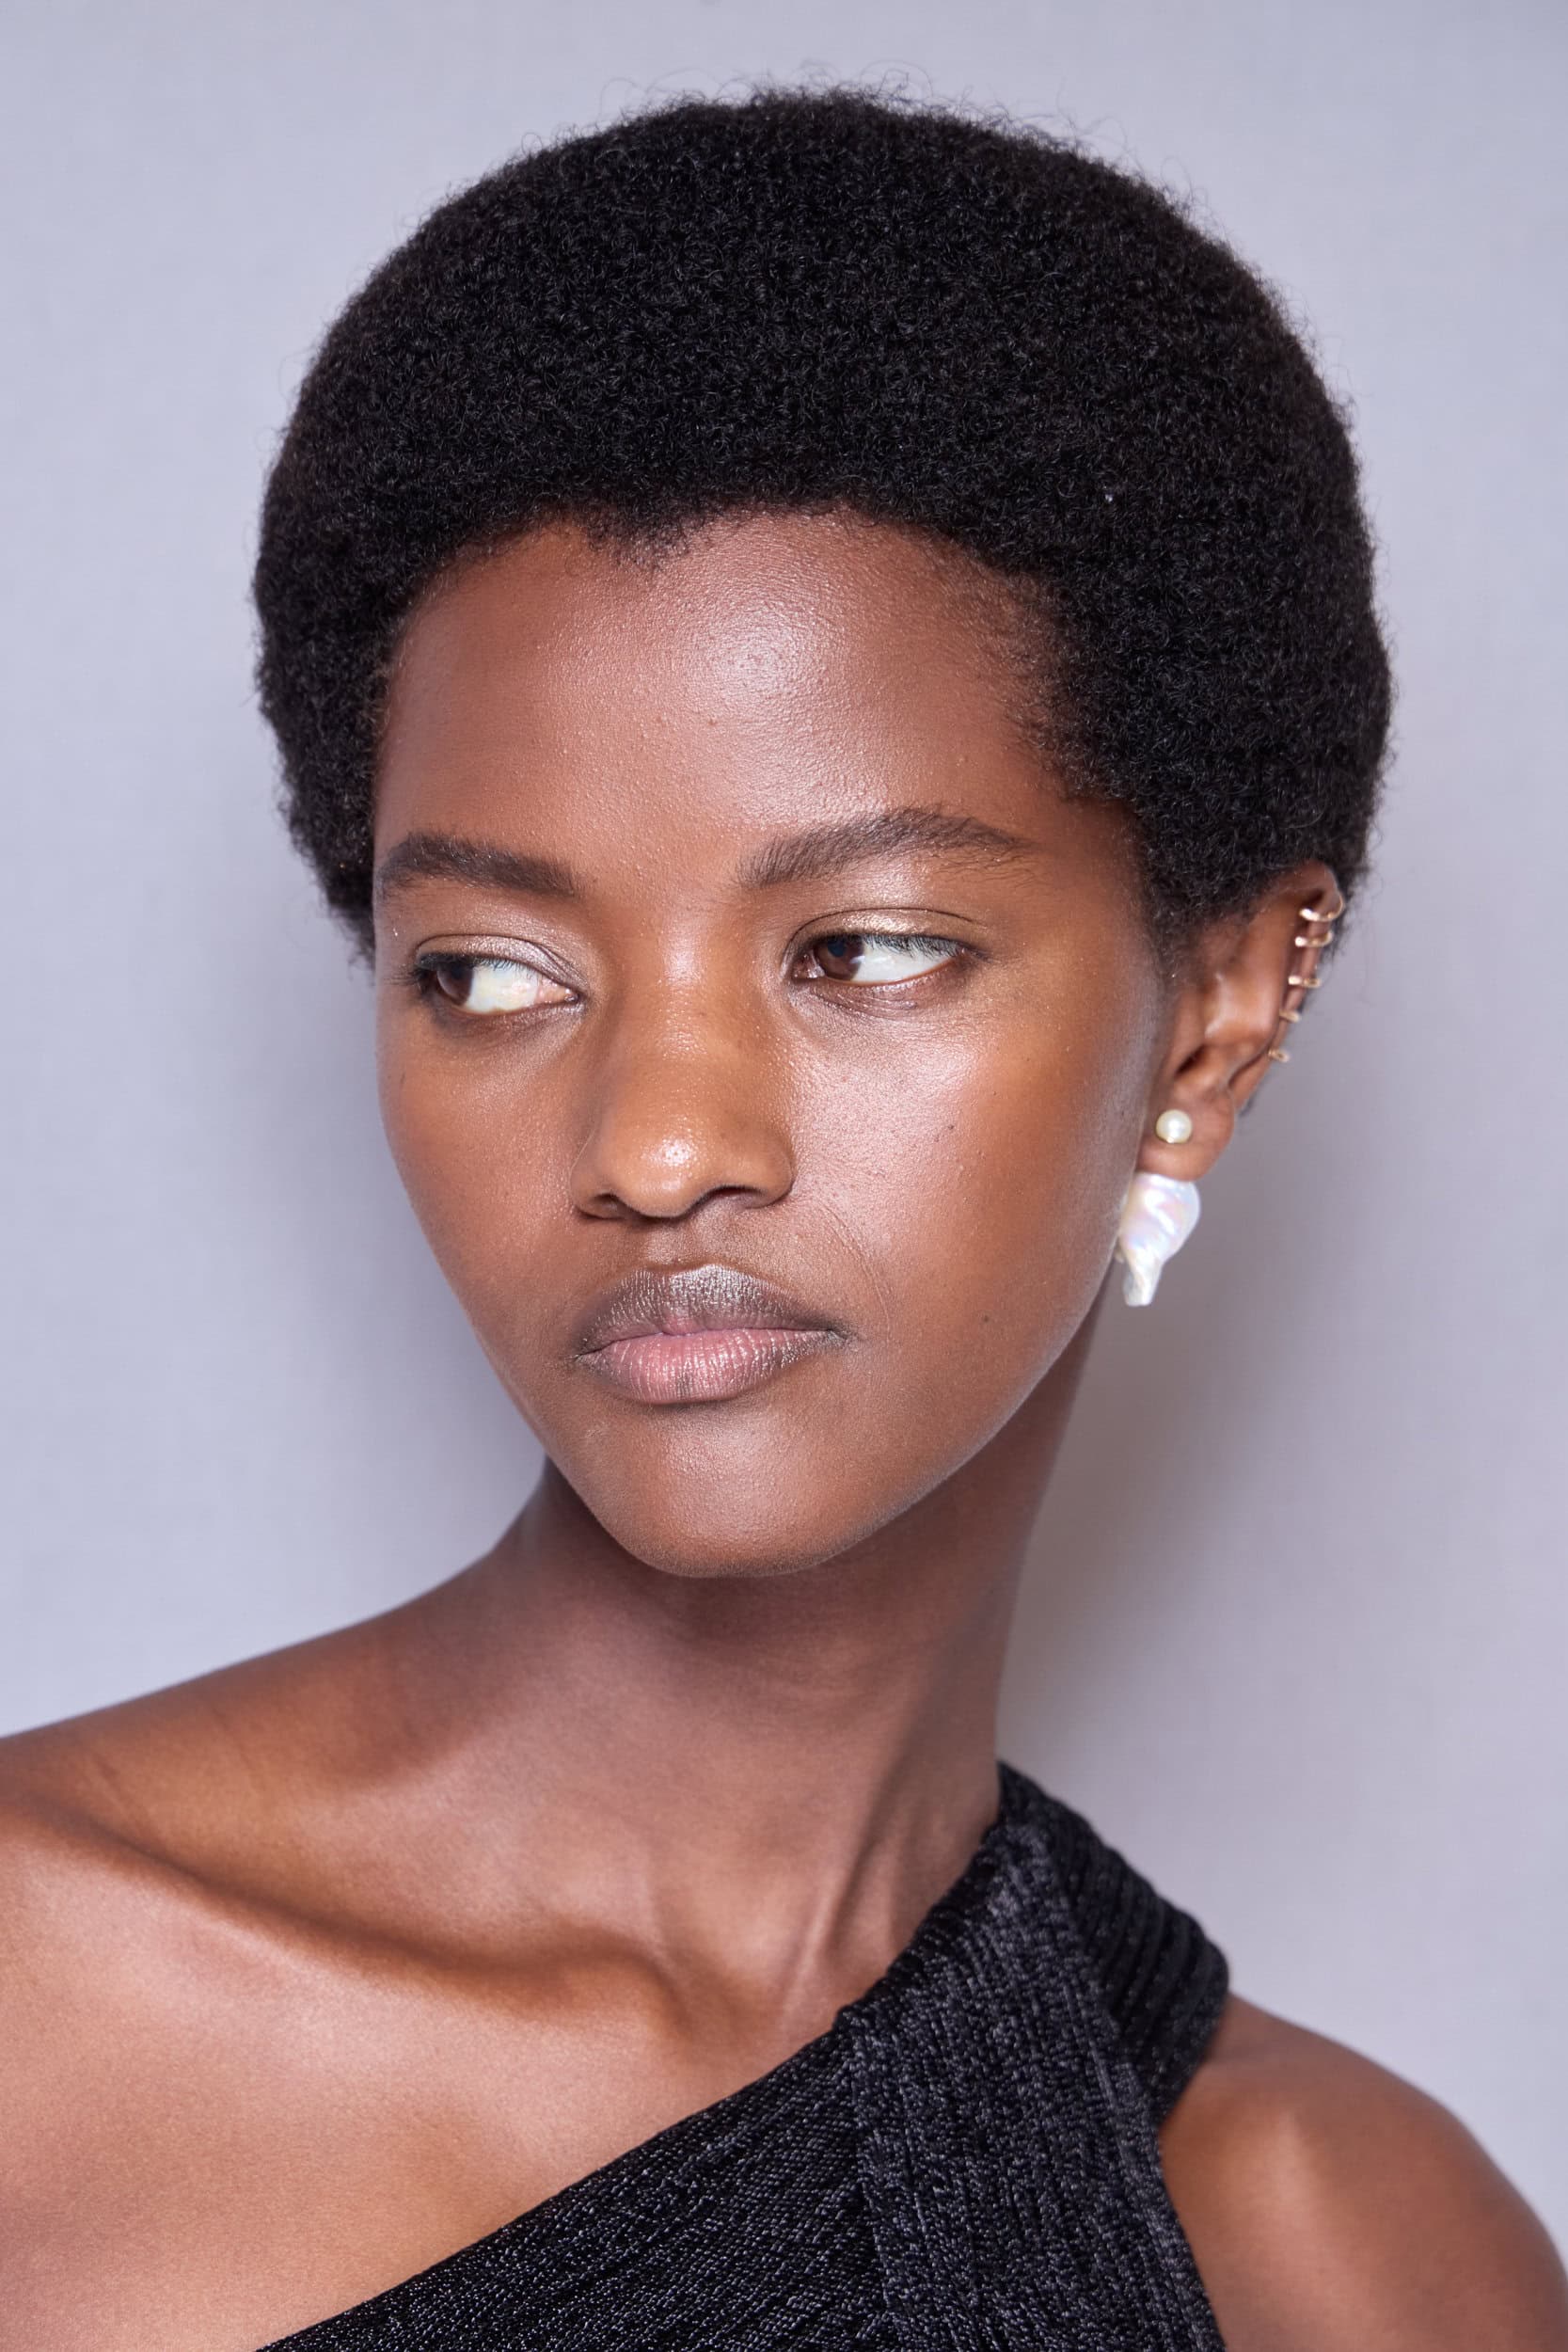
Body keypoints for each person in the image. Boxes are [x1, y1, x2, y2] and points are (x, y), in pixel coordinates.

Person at [1, 83, 1562, 2352]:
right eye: (492, 974)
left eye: (867, 950)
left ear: (1221, 1015)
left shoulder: (1342, 2256)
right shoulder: (37, 2011)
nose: (656, 1145)